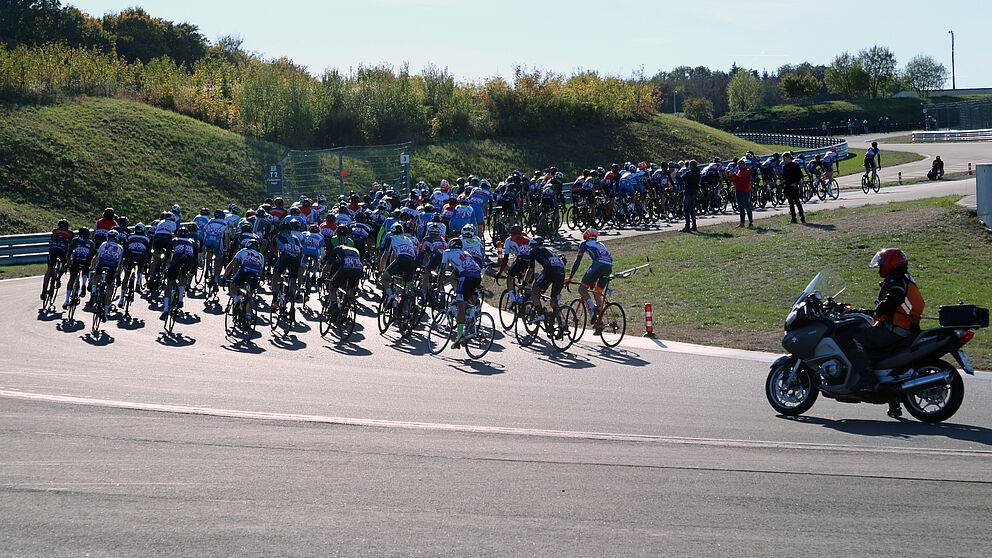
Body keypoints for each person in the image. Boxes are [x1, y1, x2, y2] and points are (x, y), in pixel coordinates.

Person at [845, 249, 925, 417]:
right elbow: (893, 308)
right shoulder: (905, 278)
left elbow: (893, 299)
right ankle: (893, 402)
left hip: (894, 329)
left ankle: (867, 381)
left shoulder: (896, 280)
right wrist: (861, 311)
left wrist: (878, 310)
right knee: (880, 358)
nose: (879, 268)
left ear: (890, 263)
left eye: (881, 264)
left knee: (852, 338)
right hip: (905, 328)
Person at [567, 228, 613, 329]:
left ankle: (592, 310)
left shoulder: (584, 244)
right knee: (597, 293)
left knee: (582, 289)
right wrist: (594, 279)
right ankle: (599, 321)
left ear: (586, 236)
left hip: (598, 265)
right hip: (609, 266)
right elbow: (610, 258)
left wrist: (570, 277)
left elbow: (578, 261)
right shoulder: (601, 245)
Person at [526, 236, 566, 326]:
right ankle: (561, 324)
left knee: (534, 291)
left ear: (534, 245)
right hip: (561, 272)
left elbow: (531, 270)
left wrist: (525, 282)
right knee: (553, 301)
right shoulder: (550, 250)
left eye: (531, 246)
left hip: (550, 271)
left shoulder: (534, 251)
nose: (530, 248)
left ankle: (540, 314)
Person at [160, 226, 198, 321]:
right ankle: (180, 299)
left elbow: (167, 254)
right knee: (183, 275)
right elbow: (196, 258)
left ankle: (165, 310)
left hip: (177, 259)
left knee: (169, 283)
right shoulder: (192, 241)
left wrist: (164, 265)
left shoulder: (174, 240)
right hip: (189, 261)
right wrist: (192, 270)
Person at [41, 219, 73, 300]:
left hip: (53, 250)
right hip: (63, 251)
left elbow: (51, 241)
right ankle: (59, 277)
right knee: (65, 263)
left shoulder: (55, 231)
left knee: (49, 269)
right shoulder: (70, 233)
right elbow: (70, 245)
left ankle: (44, 290)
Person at [63, 227, 94, 309]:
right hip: (86, 261)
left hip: (76, 260)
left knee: (72, 279)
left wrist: (68, 262)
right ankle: (84, 284)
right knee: (85, 270)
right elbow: (93, 255)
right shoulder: (91, 243)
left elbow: (69, 252)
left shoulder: (74, 240)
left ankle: (66, 300)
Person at [726, 159, 753, 228]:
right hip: (738, 190)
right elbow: (735, 180)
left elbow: (742, 179)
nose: (739, 166)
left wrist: (734, 175)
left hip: (745, 191)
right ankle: (742, 223)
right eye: (738, 165)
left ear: (743, 165)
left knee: (747, 206)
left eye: (740, 165)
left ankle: (750, 222)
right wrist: (731, 176)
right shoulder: (738, 171)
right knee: (741, 208)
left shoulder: (747, 171)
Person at [781, 152, 806, 224]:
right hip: (787, 187)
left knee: (797, 202)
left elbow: (800, 176)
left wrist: (796, 183)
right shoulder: (784, 167)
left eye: (785, 158)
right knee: (790, 203)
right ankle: (793, 218)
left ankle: (802, 218)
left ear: (788, 158)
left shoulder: (795, 165)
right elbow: (784, 177)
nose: (784, 160)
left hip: (794, 186)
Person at [680, 160, 701, 232]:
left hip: (688, 192)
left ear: (691, 166)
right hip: (694, 191)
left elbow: (680, 179)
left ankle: (687, 226)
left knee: (686, 209)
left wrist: (678, 174)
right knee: (692, 209)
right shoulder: (698, 173)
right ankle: (694, 225)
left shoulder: (689, 173)